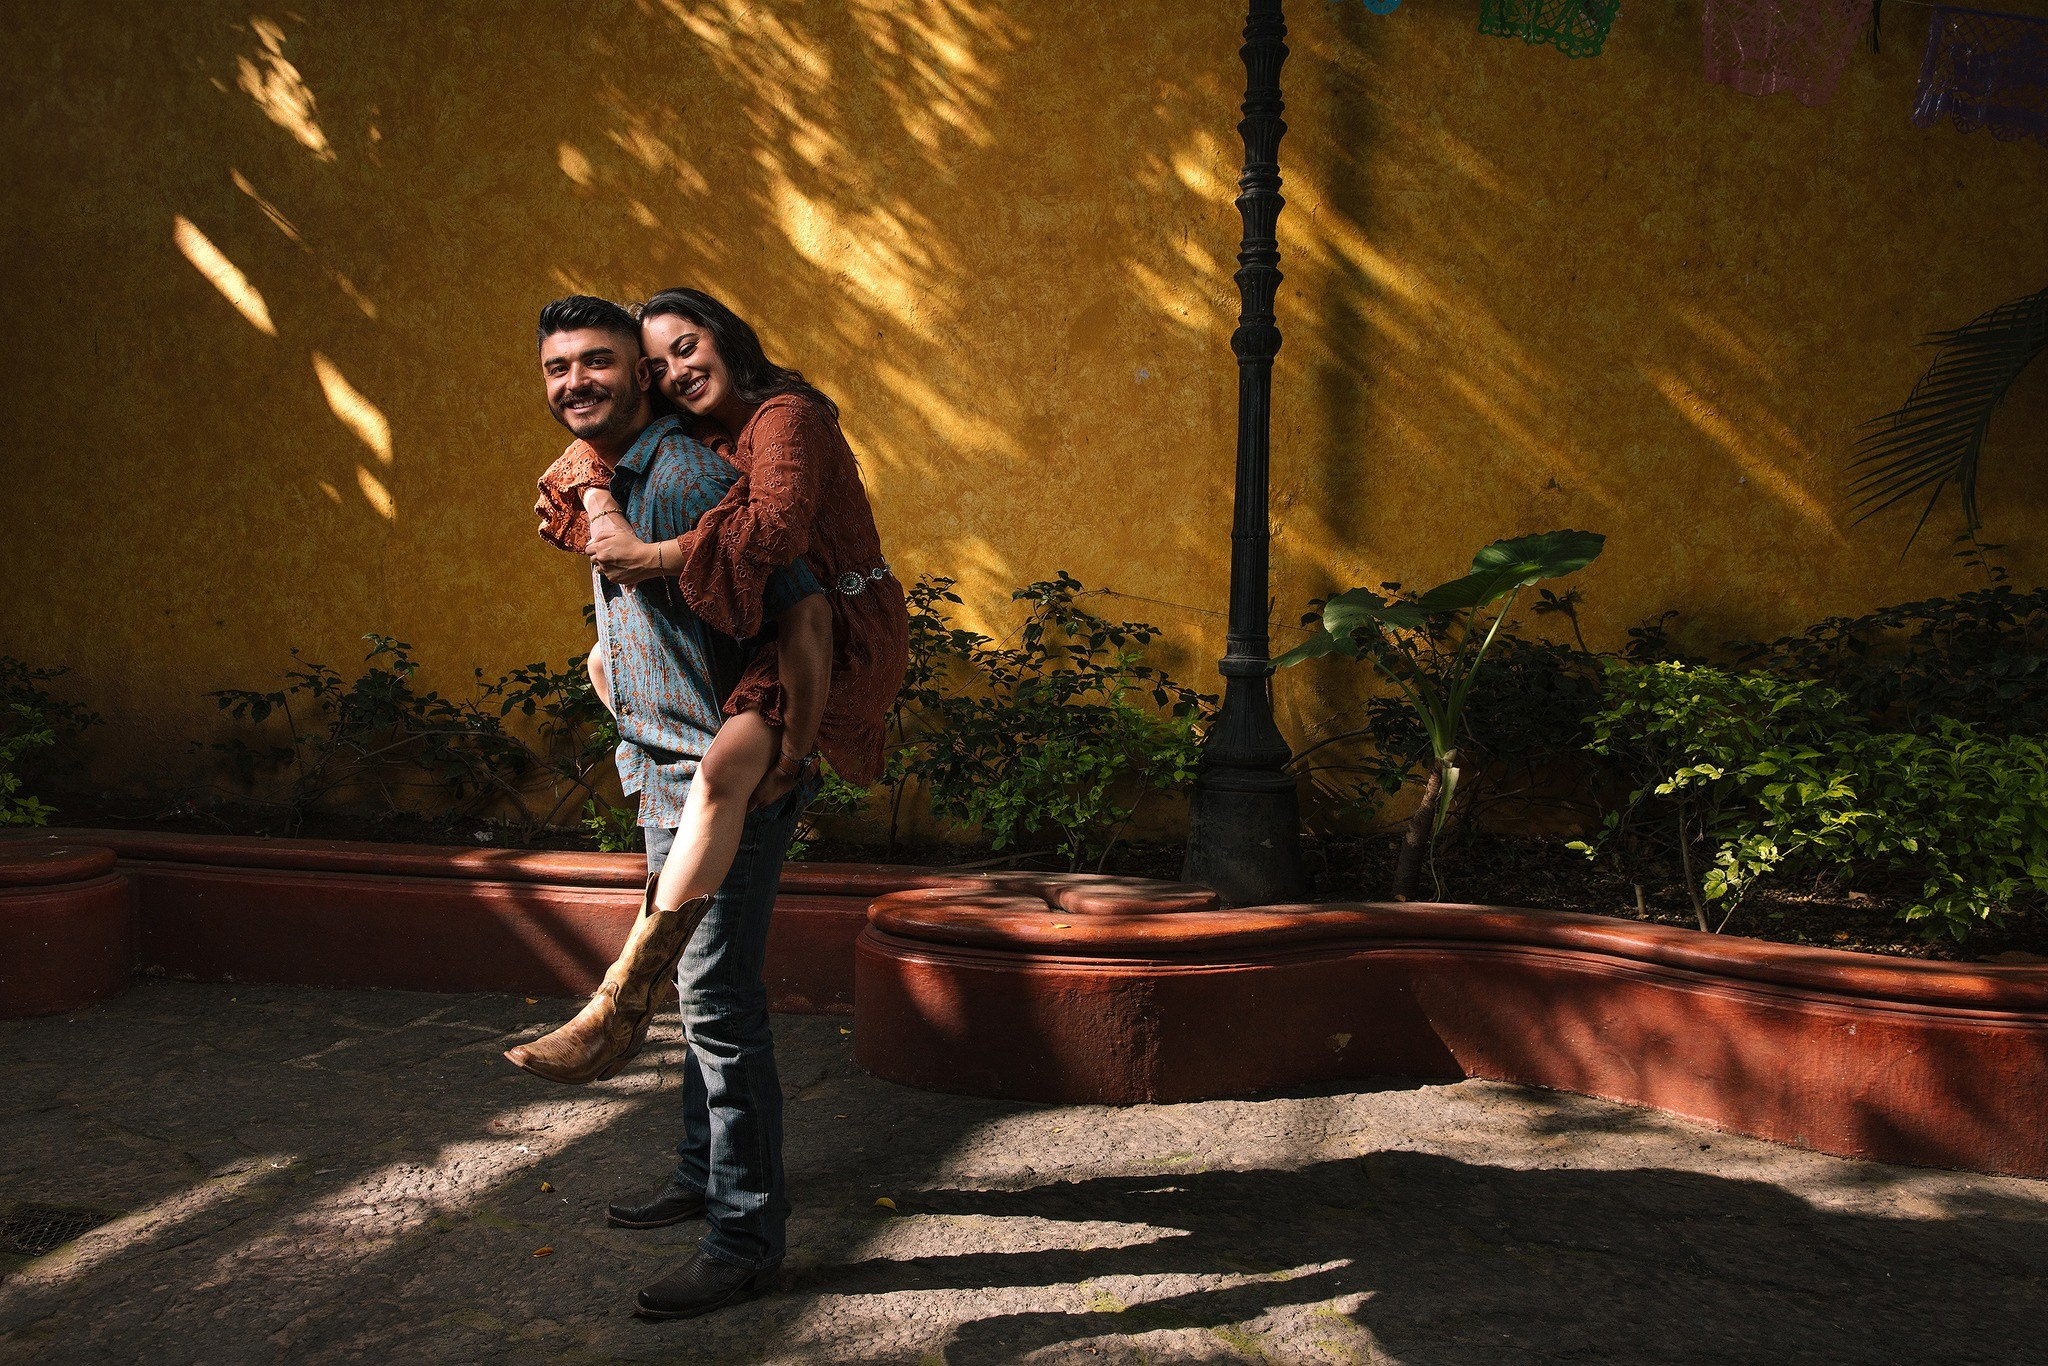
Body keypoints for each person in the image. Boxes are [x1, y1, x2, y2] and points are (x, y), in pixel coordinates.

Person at [505, 295, 821, 1319]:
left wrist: (794, 743)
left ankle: (744, 1236)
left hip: (720, 780)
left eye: (595, 363)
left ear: (640, 376)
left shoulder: (681, 474)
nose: (574, 384)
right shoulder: (606, 476)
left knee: (721, 1008)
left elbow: (799, 602)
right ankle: (699, 1173)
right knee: (694, 991)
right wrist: (611, 673)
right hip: (661, 770)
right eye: (558, 370)